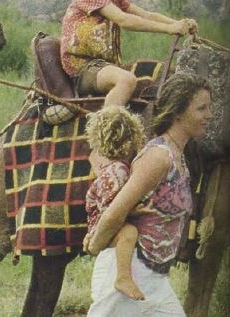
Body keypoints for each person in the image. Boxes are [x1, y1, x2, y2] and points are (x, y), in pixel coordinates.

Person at [84, 73, 212, 316]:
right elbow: (116, 210)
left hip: (156, 278)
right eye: (201, 108)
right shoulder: (158, 157)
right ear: (178, 112)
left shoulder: (178, 157)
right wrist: (95, 244)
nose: (209, 115)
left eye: (209, 107)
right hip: (127, 273)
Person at [60, 0, 198, 107]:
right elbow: (124, 20)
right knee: (126, 80)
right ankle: (106, 129)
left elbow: (145, 14)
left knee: (157, 71)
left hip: (102, 65)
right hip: (85, 68)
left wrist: (179, 23)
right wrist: (169, 29)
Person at [84, 106, 146, 301]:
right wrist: (136, 211)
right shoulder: (118, 170)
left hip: (103, 222)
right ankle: (123, 277)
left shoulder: (115, 168)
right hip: (103, 225)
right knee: (129, 233)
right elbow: (111, 208)